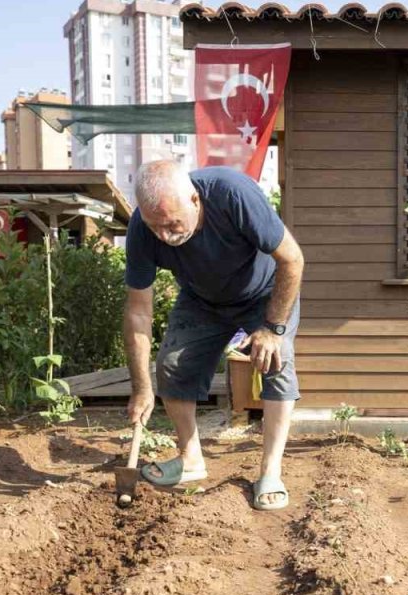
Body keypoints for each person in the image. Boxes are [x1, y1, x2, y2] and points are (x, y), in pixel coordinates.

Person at [121, 160, 304, 511]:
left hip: (264, 293)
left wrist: (273, 329)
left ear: (194, 199)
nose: (166, 235)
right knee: (172, 364)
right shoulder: (142, 230)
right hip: (202, 299)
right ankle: (190, 459)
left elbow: (292, 261)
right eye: (155, 226)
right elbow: (138, 311)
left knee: (276, 362)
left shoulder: (232, 194)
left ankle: (270, 471)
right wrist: (142, 387)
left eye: (173, 223)